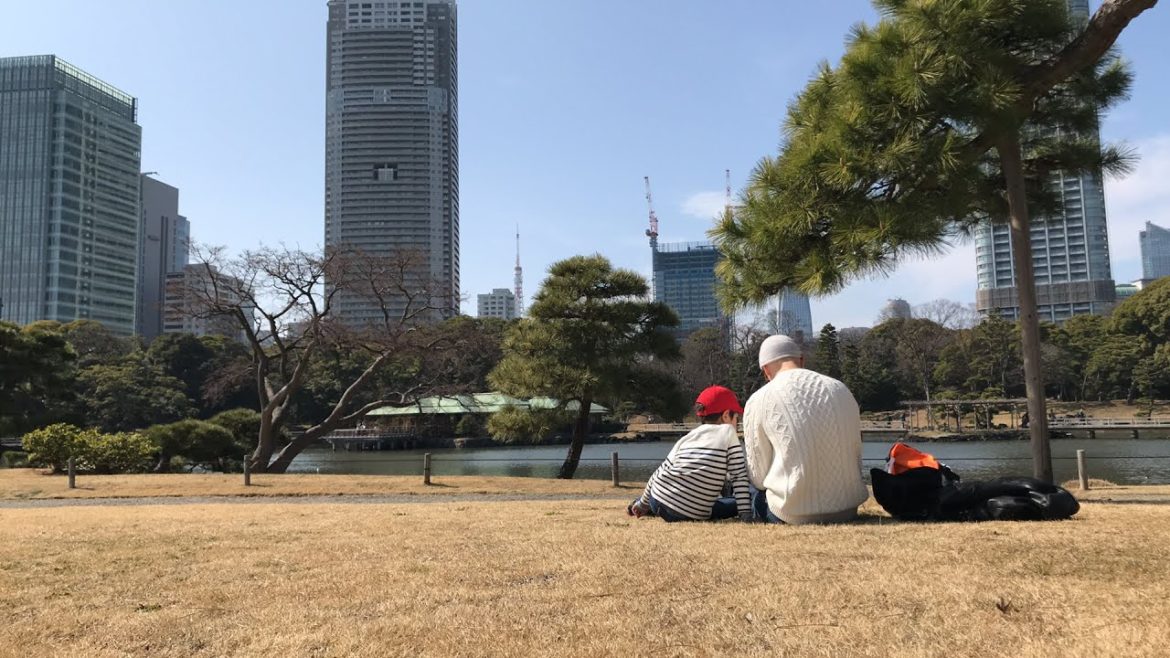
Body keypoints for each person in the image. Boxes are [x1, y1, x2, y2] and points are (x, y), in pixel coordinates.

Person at [743, 335, 868, 524]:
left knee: (756, 493)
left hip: (790, 512)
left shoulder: (760, 399)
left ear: (765, 370)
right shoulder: (840, 388)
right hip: (848, 508)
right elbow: (856, 455)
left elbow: (758, 477)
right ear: (801, 360)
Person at [628, 385, 753, 522]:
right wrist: (745, 514)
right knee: (737, 502)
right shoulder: (728, 432)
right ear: (725, 416)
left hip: (658, 499)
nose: (737, 423)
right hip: (691, 511)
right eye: (736, 418)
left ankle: (643, 504)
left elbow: (659, 472)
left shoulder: (688, 437)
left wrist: (643, 504)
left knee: (665, 495)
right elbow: (739, 476)